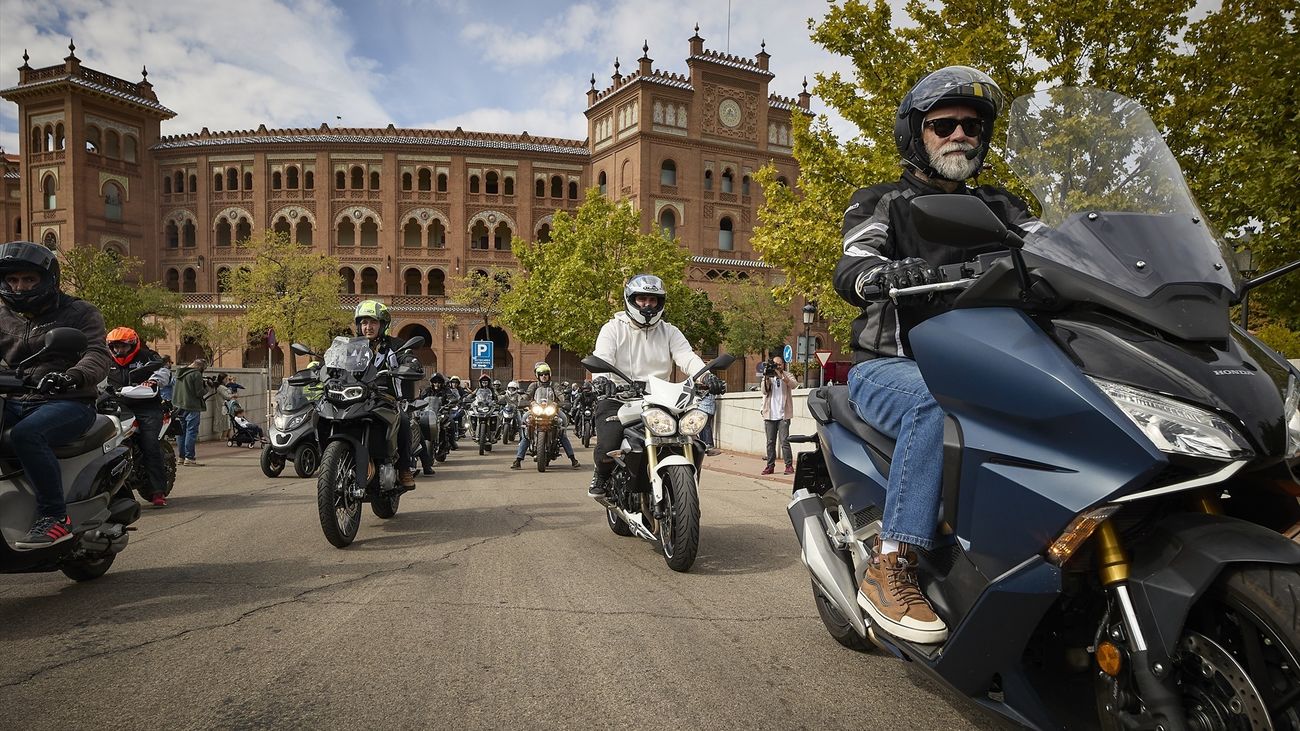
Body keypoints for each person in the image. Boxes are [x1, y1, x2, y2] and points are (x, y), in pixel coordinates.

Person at [833, 66, 1040, 644]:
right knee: (932, 405)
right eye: (943, 124)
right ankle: (890, 561)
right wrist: (879, 274)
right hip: (895, 366)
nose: (959, 135)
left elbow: (1060, 249)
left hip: (995, 364)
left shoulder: (1005, 206)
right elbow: (854, 261)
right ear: (916, 135)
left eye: (971, 126)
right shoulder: (883, 202)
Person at [0, 241, 112, 548]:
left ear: (47, 280)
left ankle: (54, 516)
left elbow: (97, 354)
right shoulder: (3, 316)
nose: (19, 287)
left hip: (67, 401)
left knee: (26, 434)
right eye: (12, 280)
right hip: (15, 399)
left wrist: (71, 376)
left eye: (28, 280)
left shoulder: (79, 312)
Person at [587, 274, 723, 498]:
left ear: (660, 303)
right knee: (608, 444)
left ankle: (682, 487)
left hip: (662, 398)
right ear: (631, 299)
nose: (647, 304)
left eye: (653, 300)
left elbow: (687, 357)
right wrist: (601, 379)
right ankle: (601, 474)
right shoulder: (612, 328)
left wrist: (706, 377)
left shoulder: (669, 331)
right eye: (642, 299)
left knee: (693, 439)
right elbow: (603, 357)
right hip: (619, 395)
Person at [353, 300, 419, 489]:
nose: (368, 327)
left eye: (373, 322)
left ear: (382, 325)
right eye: (364, 323)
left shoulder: (395, 345)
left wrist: (411, 363)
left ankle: (404, 468)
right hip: (356, 397)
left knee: (404, 420)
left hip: (386, 399)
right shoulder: (352, 347)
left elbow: (407, 356)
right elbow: (335, 363)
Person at [106, 326, 172, 507]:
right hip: (115, 405)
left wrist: (153, 380)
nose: (119, 350)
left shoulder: (147, 357)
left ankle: (158, 490)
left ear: (133, 344)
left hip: (147, 406)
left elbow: (163, 371)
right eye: (115, 347)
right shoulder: (104, 359)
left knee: (150, 444)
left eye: (123, 347)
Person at [510, 362, 580, 470]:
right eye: (541, 374)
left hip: (552, 410)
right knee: (525, 425)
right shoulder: (534, 385)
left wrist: (562, 402)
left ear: (549, 375)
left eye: (546, 374)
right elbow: (528, 395)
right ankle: (518, 460)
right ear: (537, 376)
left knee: (562, 426)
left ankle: (573, 459)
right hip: (536, 410)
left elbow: (560, 394)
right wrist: (524, 400)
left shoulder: (554, 385)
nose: (544, 376)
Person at [759, 355, 798, 475]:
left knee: (784, 441)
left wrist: (781, 376)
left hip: (783, 415)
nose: (777, 366)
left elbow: (794, 385)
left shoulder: (787, 375)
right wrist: (766, 377)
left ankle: (789, 466)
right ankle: (770, 466)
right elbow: (764, 391)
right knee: (770, 442)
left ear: (783, 365)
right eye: (775, 364)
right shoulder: (768, 376)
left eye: (779, 364)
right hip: (770, 415)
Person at [172, 358, 211, 466]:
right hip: (192, 406)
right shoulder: (196, 374)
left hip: (179, 405)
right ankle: (189, 458)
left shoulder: (179, 372)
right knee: (191, 431)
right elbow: (199, 393)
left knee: (181, 432)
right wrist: (207, 388)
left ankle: (181, 457)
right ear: (201, 367)